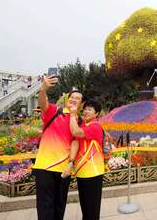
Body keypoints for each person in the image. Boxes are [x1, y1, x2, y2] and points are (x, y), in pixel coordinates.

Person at [32, 76, 84, 220]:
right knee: (45, 206)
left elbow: (75, 141)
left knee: (59, 206)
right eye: (72, 97)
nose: (74, 99)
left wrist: (71, 164)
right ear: (68, 99)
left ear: (81, 104)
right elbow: (43, 104)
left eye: (77, 98)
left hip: (64, 169)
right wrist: (43, 89)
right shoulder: (54, 111)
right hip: (45, 167)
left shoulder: (78, 121)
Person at [62, 99, 105, 220]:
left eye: (90, 109)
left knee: (92, 209)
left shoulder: (95, 127)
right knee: (85, 208)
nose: (86, 111)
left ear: (96, 114)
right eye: (85, 109)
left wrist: (71, 114)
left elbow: (75, 132)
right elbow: (75, 140)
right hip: (81, 173)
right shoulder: (84, 125)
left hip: (93, 173)